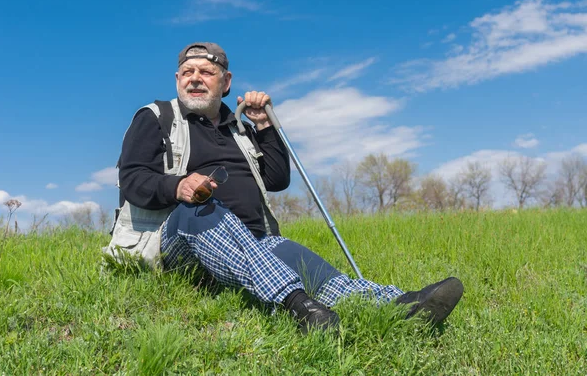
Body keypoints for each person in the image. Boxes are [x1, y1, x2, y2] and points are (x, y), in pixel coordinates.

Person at [104, 42, 464, 333]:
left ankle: (403, 306)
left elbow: (276, 180)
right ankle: (299, 306)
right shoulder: (156, 117)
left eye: (206, 72)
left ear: (225, 82)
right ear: (177, 78)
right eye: (187, 72)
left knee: (313, 269)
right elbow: (133, 180)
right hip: (179, 242)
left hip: (254, 240)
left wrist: (264, 127)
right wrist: (179, 185)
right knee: (200, 208)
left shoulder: (237, 128)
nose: (195, 79)